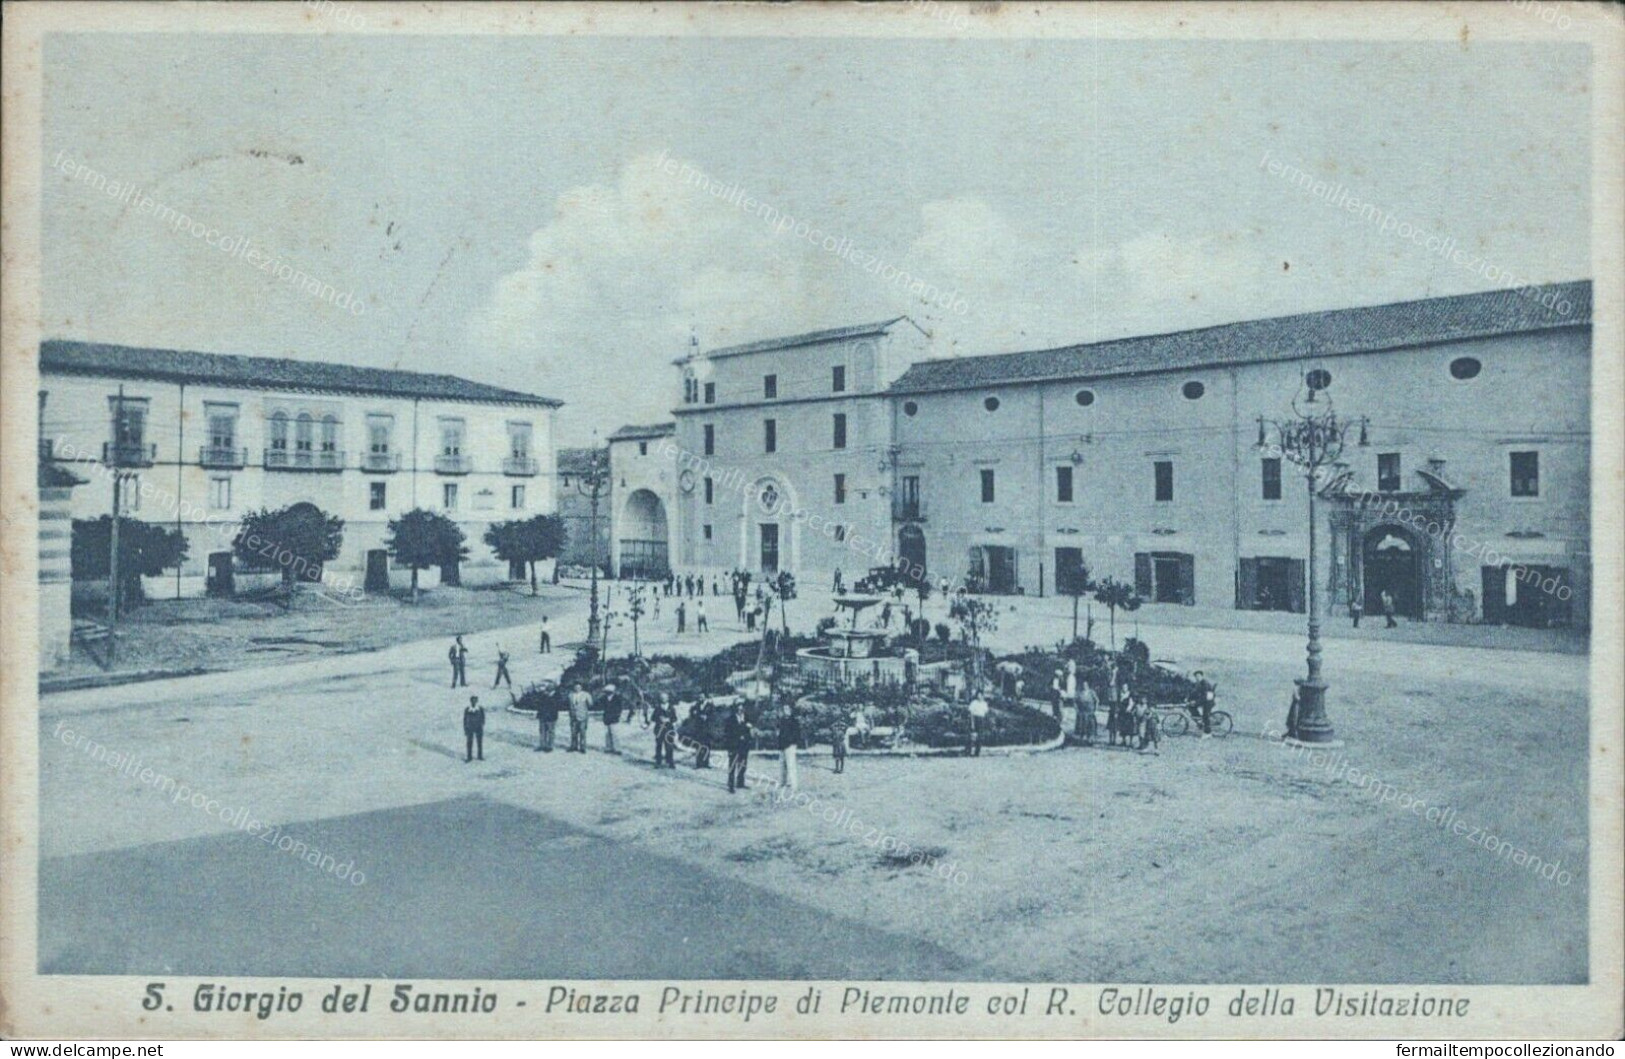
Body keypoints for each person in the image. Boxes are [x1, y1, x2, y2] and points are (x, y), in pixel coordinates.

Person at [725, 702, 753, 793]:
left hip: (744, 745)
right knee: (732, 765)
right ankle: (731, 785)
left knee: (743, 764)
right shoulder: (730, 719)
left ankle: (740, 782)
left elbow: (749, 730)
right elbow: (728, 733)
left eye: (742, 709)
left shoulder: (747, 718)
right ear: (736, 710)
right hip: (733, 745)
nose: (741, 711)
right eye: (739, 709)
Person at [777, 701, 803, 791]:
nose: (786, 711)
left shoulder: (794, 721)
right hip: (782, 745)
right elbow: (779, 733)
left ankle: (794, 785)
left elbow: (797, 734)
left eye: (787, 709)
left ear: (791, 710)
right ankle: (782, 782)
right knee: (782, 765)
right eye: (784, 709)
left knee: (791, 765)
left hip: (790, 745)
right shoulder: (782, 720)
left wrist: (791, 742)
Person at [651, 693, 678, 769]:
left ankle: (670, 762)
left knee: (669, 746)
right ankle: (658, 762)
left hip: (669, 730)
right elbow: (652, 718)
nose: (663, 699)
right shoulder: (657, 708)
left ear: (668, 698)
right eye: (662, 698)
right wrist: (659, 718)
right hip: (659, 729)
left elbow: (675, 718)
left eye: (665, 698)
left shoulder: (671, 708)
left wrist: (668, 720)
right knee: (659, 746)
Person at [567, 682, 592, 753]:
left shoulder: (586, 694)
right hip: (573, 716)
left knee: (582, 732)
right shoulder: (570, 695)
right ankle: (573, 746)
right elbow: (569, 705)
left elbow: (590, 704)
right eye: (576, 687)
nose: (577, 688)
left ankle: (583, 747)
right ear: (574, 687)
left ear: (581, 687)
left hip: (582, 716)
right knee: (573, 732)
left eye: (579, 687)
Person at [535, 684, 560, 752]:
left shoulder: (556, 696)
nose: (547, 691)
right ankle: (542, 745)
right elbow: (539, 704)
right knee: (542, 731)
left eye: (549, 690)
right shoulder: (543, 696)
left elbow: (556, 707)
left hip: (551, 717)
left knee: (551, 731)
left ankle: (550, 746)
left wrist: (548, 696)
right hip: (543, 716)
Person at [1075, 679, 1099, 745]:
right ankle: (1082, 739)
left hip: (1090, 712)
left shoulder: (1091, 692)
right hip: (1082, 712)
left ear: (1088, 686)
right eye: (1083, 685)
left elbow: (1097, 700)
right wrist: (1077, 710)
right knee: (1082, 725)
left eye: (1086, 685)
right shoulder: (1080, 693)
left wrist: (1096, 709)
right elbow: (1075, 702)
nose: (1084, 686)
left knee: (1091, 725)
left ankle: (1090, 739)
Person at [1193, 670, 1216, 738]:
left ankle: (1208, 733)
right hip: (1204, 700)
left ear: (1202, 676)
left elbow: (1205, 696)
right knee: (1191, 707)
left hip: (1208, 701)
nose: (1197, 678)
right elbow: (1195, 692)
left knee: (1205, 716)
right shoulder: (1199, 683)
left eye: (1199, 676)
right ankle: (1199, 721)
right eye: (1196, 676)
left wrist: (1196, 702)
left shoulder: (1205, 683)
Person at [692, 698, 713, 769]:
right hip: (699, 729)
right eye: (699, 696)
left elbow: (714, 715)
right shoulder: (696, 705)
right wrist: (697, 715)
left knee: (707, 745)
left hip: (707, 729)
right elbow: (692, 713)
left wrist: (707, 717)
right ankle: (698, 763)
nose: (701, 698)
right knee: (698, 745)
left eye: (702, 696)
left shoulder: (710, 706)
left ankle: (706, 763)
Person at [462, 695, 485, 762]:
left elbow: (483, 718)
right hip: (470, 728)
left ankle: (479, 756)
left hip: (478, 727)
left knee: (479, 742)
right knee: (469, 743)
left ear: (477, 701)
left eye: (475, 701)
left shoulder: (480, 709)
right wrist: (465, 728)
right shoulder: (467, 710)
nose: (474, 702)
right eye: (472, 701)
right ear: (471, 702)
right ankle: (469, 757)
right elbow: (465, 720)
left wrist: (481, 725)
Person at [601, 683, 622, 754]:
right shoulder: (604, 698)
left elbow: (619, 708)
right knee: (607, 733)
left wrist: (617, 715)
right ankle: (609, 747)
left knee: (614, 733)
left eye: (608, 691)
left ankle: (617, 748)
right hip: (606, 717)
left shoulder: (617, 698)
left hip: (614, 718)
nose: (607, 692)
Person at [967, 692, 988, 757]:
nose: (979, 696)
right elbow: (971, 713)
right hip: (974, 719)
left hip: (981, 719)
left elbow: (985, 712)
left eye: (981, 695)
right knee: (972, 736)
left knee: (980, 736)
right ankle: (969, 751)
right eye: (978, 695)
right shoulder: (974, 703)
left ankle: (977, 752)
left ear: (982, 696)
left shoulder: (984, 703)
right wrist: (972, 722)